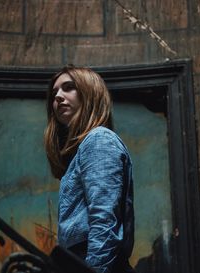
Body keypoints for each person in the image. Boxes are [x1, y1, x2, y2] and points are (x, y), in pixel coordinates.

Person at [44, 65, 135, 273]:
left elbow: (104, 222)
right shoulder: (85, 148)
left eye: (68, 87)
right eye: (54, 92)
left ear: (89, 93)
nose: (58, 96)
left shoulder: (98, 139)